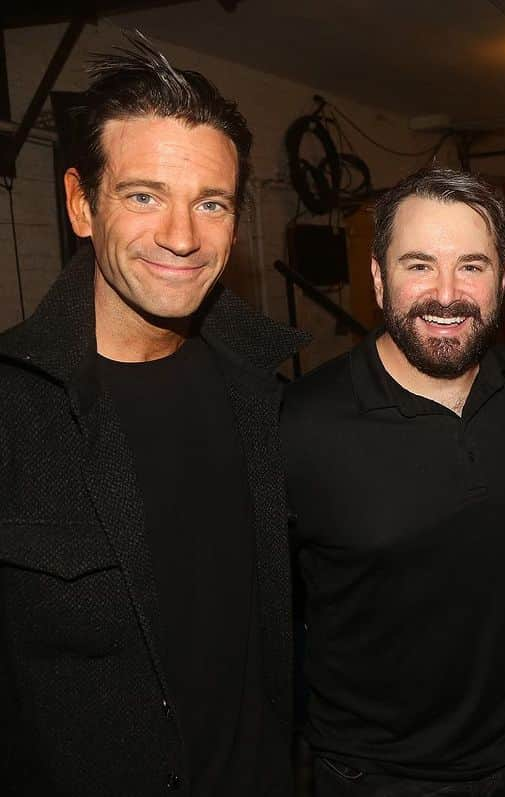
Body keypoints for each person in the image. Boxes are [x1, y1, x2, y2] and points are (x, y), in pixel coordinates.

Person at [0, 33, 306, 797]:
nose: (181, 236)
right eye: (144, 195)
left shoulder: (266, 393)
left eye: (211, 203)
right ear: (80, 203)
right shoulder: (10, 412)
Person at [282, 167, 505, 796]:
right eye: (418, 265)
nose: (446, 293)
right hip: (382, 777)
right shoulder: (301, 424)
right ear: (378, 279)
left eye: (471, 265)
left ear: (503, 277)